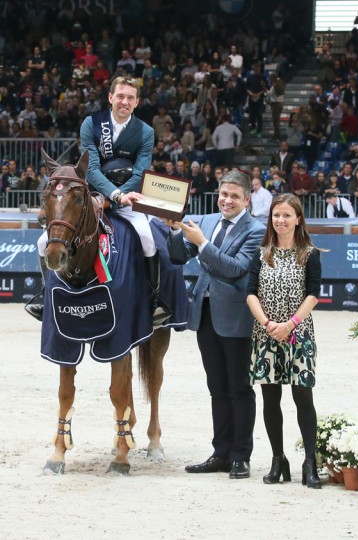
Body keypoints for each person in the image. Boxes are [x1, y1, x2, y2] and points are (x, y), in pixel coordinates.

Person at [28, 75, 169, 325]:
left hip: (129, 198)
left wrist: (119, 198)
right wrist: (110, 195)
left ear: (136, 102)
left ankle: (153, 300)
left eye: (130, 98)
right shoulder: (91, 123)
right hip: (91, 197)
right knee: (42, 242)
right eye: (120, 96)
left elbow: (141, 172)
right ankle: (46, 295)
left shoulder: (145, 132)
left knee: (148, 239)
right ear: (110, 98)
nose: (124, 101)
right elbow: (91, 169)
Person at [166, 171, 266, 479]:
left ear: (247, 199)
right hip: (205, 314)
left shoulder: (257, 230)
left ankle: (240, 456)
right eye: (224, 194)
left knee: (239, 388)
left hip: (237, 318)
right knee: (217, 387)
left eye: (235, 196)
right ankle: (220, 452)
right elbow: (179, 255)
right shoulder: (206, 220)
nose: (228, 200)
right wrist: (174, 232)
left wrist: (203, 243)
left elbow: (236, 269)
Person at [246, 193, 323, 488]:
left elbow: (313, 294)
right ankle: (278, 459)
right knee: (270, 399)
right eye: (276, 215)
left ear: (298, 219)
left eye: (287, 215)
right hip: (266, 335)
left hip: (298, 334)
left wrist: (290, 324)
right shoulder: (261, 252)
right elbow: (250, 293)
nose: (281, 220)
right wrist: (268, 323)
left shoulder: (310, 254)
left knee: (303, 397)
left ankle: (309, 462)